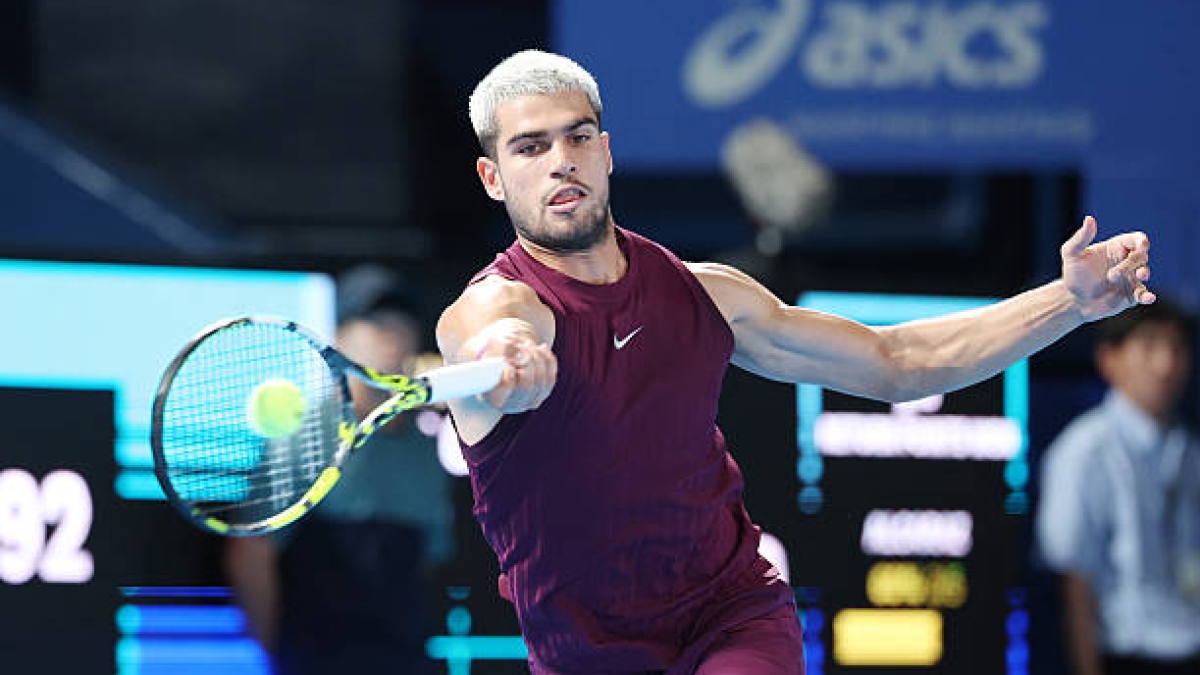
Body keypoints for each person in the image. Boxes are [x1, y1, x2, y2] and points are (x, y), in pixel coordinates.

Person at [435, 49, 1155, 675]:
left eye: (577, 136)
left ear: (606, 151)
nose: (560, 159)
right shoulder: (495, 307)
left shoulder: (705, 294)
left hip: (729, 616)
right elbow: (494, 333)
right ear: (492, 177)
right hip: (581, 654)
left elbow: (899, 360)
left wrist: (1069, 301)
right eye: (530, 147)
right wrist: (508, 359)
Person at [225, 265, 454, 675]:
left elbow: (426, 564)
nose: (394, 336)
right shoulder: (302, 436)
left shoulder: (424, 450)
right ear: (339, 338)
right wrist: (278, 656)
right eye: (376, 322)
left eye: (403, 324)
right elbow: (251, 556)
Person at [1036, 299, 1200, 675]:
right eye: (1150, 345)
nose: (1166, 364)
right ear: (1109, 359)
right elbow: (1073, 582)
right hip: (1125, 657)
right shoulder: (1084, 451)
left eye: (1177, 347)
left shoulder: (1190, 450)